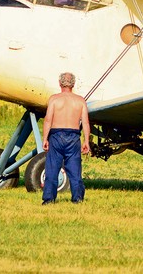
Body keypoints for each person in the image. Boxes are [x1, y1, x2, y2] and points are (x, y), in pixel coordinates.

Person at [41, 72, 91, 205]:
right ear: (73, 84)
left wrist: (45, 138)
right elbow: (85, 122)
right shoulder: (80, 101)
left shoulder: (54, 99)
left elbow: (48, 120)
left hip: (56, 135)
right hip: (74, 136)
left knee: (52, 169)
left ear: (60, 83)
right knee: (75, 171)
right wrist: (86, 141)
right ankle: (77, 199)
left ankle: (48, 199)